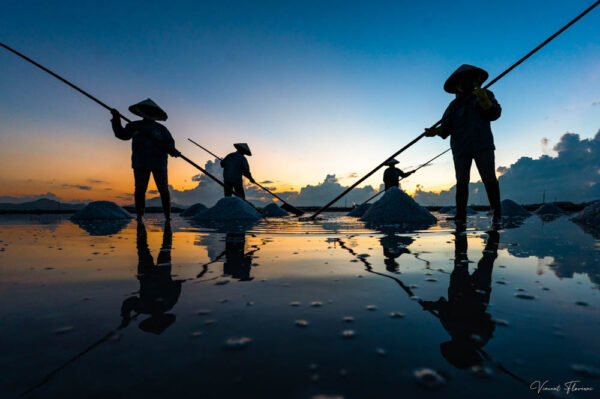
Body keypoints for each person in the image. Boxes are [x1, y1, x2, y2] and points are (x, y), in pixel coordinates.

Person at [425, 65, 502, 224]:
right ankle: (461, 214)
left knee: (489, 179)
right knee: (461, 182)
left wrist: (484, 100)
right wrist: (435, 131)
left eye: (470, 79)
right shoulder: (453, 106)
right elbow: (446, 129)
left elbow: (494, 114)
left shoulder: (486, 94)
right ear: (457, 86)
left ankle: (497, 212)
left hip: (483, 145)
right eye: (461, 81)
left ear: (476, 81)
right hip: (461, 149)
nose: (465, 83)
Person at [422, 229, 499, 369]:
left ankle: (468, 235)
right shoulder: (458, 330)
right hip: (474, 293)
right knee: (470, 259)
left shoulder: (472, 336)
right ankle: (476, 236)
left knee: (476, 260)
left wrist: (431, 305)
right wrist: (431, 306)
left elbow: (443, 306)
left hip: (467, 291)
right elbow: (489, 321)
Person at [110, 99, 180, 220]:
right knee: (140, 190)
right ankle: (140, 216)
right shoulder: (134, 126)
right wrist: (116, 119)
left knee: (163, 189)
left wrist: (172, 150)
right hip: (141, 162)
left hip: (159, 163)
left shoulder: (161, 129)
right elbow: (122, 134)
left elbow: (170, 144)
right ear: (142, 112)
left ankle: (167, 216)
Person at [120, 221, 182, 334]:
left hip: (148, 274)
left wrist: (126, 317)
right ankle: (163, 224)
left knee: (154, 247)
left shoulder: (145, 307)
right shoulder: (166, 304)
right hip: (158, 273)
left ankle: (143, 224)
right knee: (159, 246)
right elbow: (177, 285)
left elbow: (128, 303)